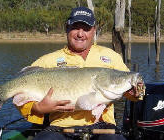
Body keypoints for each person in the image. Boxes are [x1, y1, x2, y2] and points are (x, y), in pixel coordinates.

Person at [16, 7, 140, 140]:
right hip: (59, 128)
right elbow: (20, 94)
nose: (80, 34)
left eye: (86, 28)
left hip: (103, 127)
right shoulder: (47, 61)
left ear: (94, 30)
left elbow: (131, 87)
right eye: (75, 27)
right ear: (67, 28)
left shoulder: (111, 56)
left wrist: (135, 92)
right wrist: (39, 108)